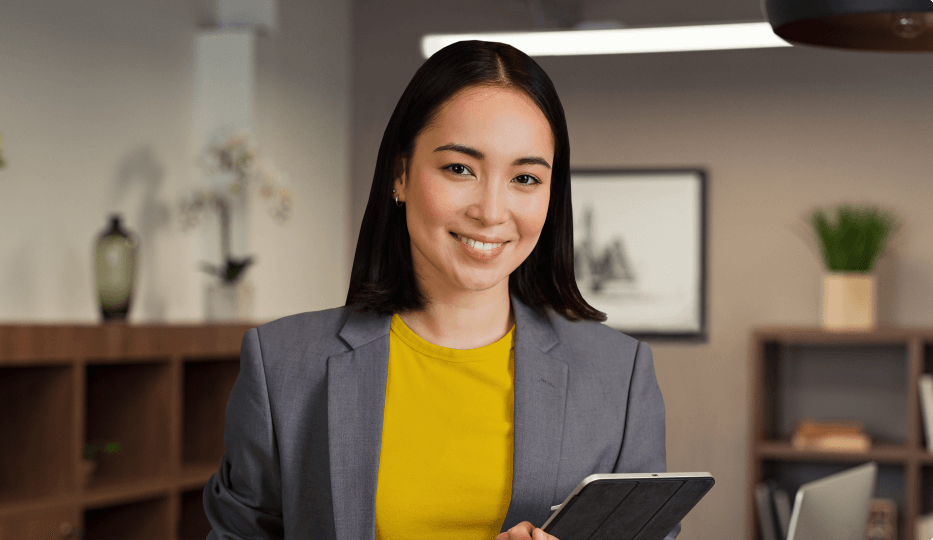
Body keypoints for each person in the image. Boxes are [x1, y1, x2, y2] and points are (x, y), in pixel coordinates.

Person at [203, 40, 678, 540]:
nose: (492, 211)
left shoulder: (620, 377)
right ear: (401, 174)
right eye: (459, 169)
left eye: (525, 177)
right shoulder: (282, 367)